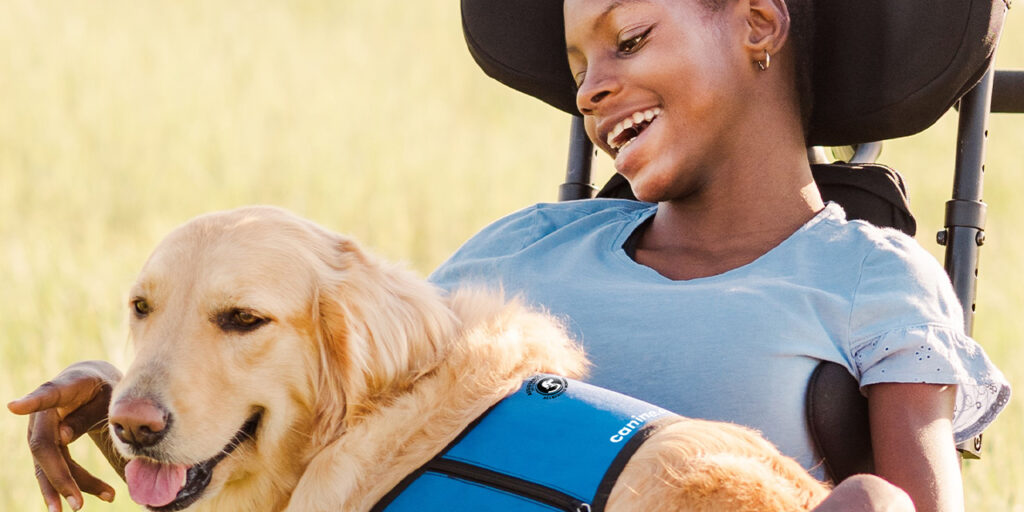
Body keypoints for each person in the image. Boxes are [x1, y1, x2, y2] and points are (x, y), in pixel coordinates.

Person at [7, 0, 1009, 511]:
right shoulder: (527, 246)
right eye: (578, 65)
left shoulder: (866, 275)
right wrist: (142, 392)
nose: (592, 87)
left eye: (626, 39)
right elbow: (359, 417)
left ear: (755, 24)